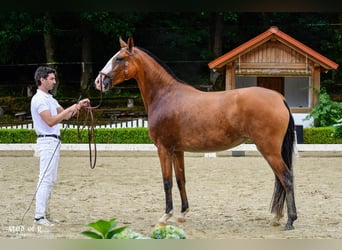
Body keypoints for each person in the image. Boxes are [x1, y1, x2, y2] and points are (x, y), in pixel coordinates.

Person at [30, 66, 90, 226]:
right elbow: (51, 121)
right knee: (45, 178)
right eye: (51, 79)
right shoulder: (39, 99)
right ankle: (39, 215)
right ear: (42, 80)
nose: (54, 82)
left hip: (54, 141)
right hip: (47, 140)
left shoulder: (50, 99)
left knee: (50, 179)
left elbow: (66, 115)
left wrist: (78, 106)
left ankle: (44, 214)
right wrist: (71, 108)